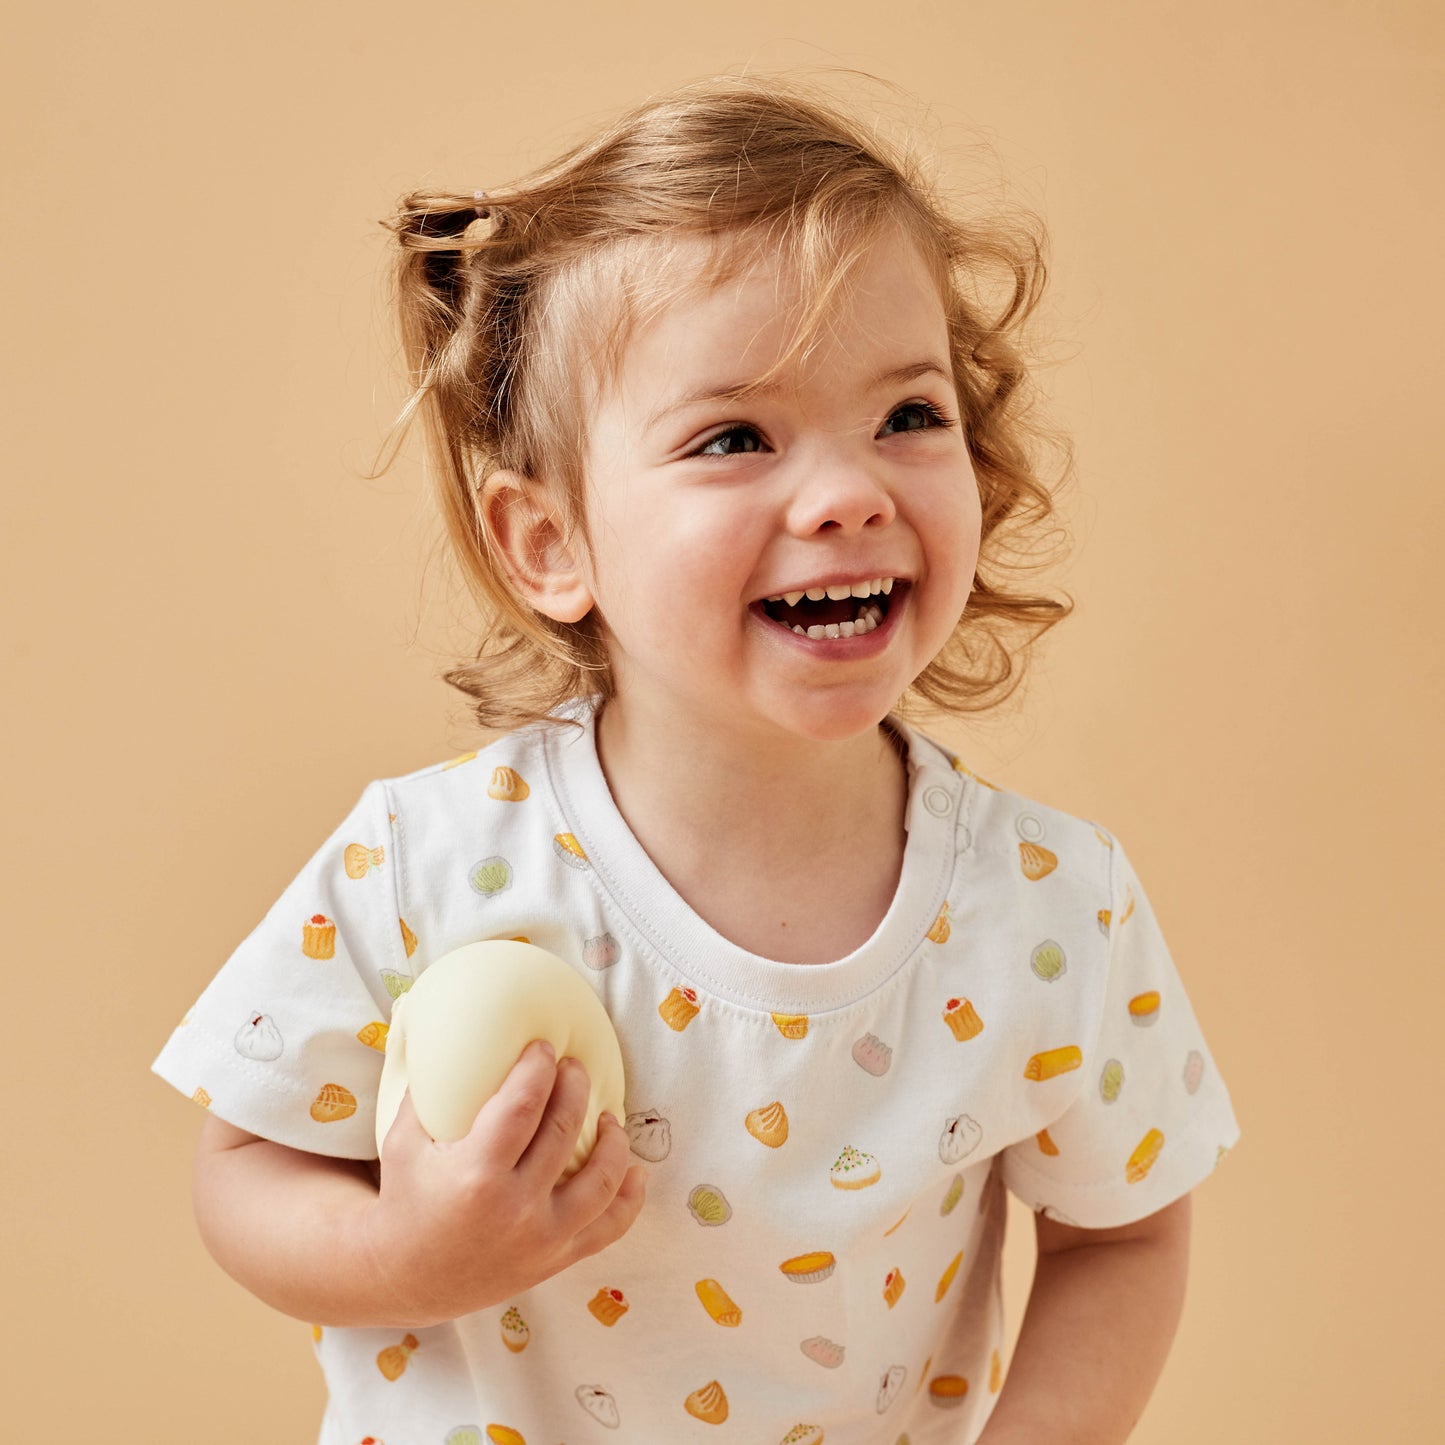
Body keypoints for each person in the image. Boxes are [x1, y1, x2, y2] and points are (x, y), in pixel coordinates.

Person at [154, 74, 1240, 1445]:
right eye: (734, 437)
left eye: (906, 415)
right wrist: (409, 1258)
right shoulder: (426, 863)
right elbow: (245, 1166)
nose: (849, 491)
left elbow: (1121, 1238)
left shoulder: (1047, 906)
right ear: (549, 542)